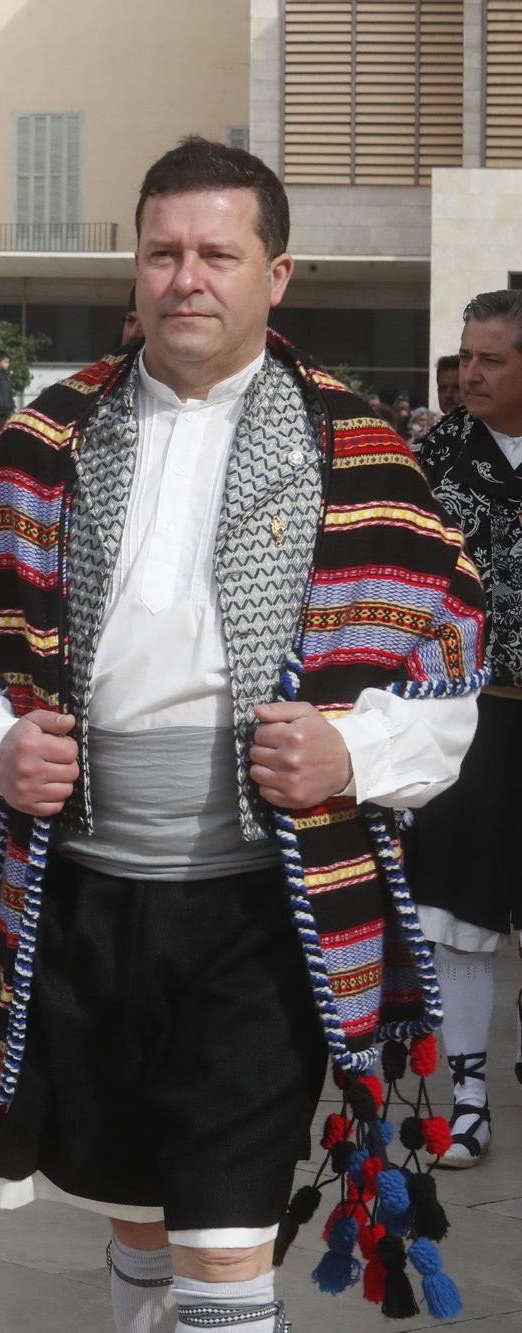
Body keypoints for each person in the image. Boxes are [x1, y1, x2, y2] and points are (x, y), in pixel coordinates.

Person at [0, 137, 482, 1332]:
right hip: (77, 888)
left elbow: (441, 665)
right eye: (162, 252)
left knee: (225, 1240)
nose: (186, 278)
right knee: (130, 1209)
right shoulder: (41, 438)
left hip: (261, 907)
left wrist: (351, 756)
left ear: (276, 275)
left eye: (217, 254)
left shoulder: (360, 453)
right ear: (132, 268)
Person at [405, 288, 522, 1170]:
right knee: (459, 916)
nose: (469, 374)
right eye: (467, 355)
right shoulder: (436, 449)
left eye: (491, 360)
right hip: (470, 713)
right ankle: (470, 1092)